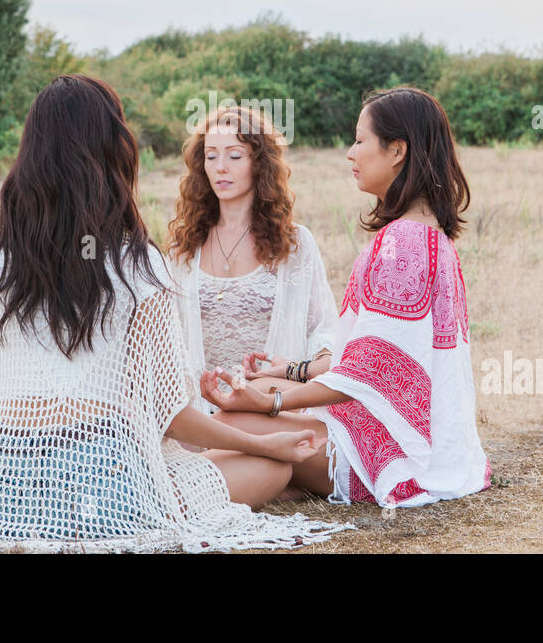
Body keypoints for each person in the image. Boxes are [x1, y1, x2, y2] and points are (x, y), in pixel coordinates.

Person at [0, 74, 353, 552]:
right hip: (114, 491)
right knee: (272, 468)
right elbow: (172, 417)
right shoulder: (138, 263)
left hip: (3, 503)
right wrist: (264, 445)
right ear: (114, 152)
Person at [201, 86, 492, 507]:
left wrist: (272, 399)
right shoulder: (427, 233)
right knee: (259, 393)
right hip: (419, 443)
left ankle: (171, 494)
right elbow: (373, 357)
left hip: (391, 454)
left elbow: (368, 375)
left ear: (396, 150)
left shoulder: (403, 242)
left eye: (360, 140)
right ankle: (273, 483)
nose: (350, 154)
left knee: (237, 415)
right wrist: (294, 370)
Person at [166, 104, 336, 406]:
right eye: (211, 156)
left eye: (234, 155)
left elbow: (325, 336)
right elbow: (167, 343)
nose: (220, 167)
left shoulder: (296, 245)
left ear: (259, 163)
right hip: (198, 413)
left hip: (270, 408)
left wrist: (294, 372)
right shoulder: (183, 249)